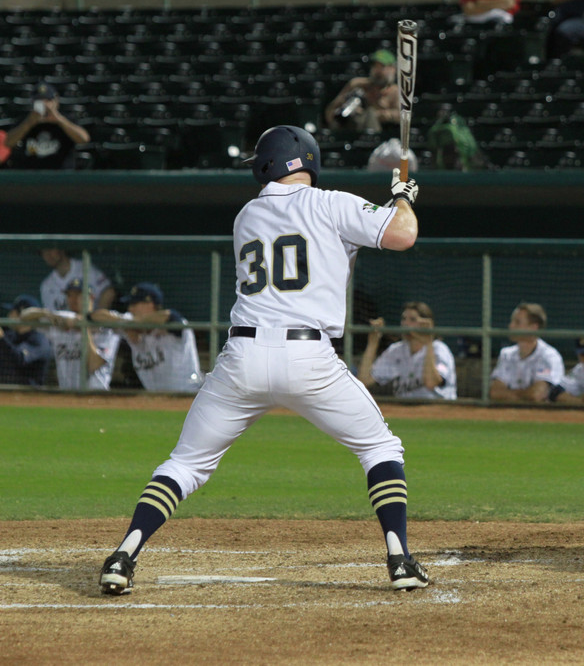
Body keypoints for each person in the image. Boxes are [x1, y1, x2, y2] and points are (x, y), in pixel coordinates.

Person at [98, 125, 429, 596]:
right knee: (380, 448)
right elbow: (403, 234)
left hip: (242, 358)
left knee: (186, 464)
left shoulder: (247, 215)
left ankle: (123, 555)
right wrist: (400, 198)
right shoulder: (332, 203)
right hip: (310, 357)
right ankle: (399, 559)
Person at [89, 282, 204, 393]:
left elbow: (170, 316)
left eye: (134, 304)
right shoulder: (129, 322)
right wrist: (127, 324)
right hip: (158, 398)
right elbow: (95, 316)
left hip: (189, 394)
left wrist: (134, 324)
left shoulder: (172, 324)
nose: (130, 309)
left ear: (150, 304)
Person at [20, 279, 119, 390]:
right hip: (67, 393)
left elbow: (94, 364)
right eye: (69, 295)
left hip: (96, 393)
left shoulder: (105, 325)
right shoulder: (63, 318)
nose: (73, 299)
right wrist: (48, 315)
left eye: (78, 295)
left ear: (91, 297)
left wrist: (83, 327)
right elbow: (24, 316)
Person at [357, 301, 457, 400]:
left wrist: (428, 343)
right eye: (404, 319)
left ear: (426, 324)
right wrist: (373, 343)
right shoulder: (396, 350)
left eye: (412, 320)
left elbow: (431, 383)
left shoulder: (440, 349)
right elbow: (364, 381)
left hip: (438, 407)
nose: (405, 324)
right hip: (407, 408)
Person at [4, 82, 90, 169]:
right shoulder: (26, 120)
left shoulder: (66, 119)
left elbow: (84, 139)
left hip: (61, 174)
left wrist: (59, 120)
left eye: (47, 100)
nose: (44, 104)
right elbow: (8, 142)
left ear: (55, 101)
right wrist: (29, 123)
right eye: (39, 101)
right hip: (33, 174)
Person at [489, 302, 564, 402]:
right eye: (512, 321)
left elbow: (536, 395)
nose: (511, 326)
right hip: (509, 411)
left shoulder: (549, 356)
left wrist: (509, 393)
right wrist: (525, 393)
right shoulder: (506, 354)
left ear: (533, 328)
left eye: (517, 322)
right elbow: (495, 393)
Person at [323, 49, 400, 133]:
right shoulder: (357, 84)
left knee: (369, 114)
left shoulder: (395, 91)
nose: (377, 70)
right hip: (351, 128)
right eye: (375, 66)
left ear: (393, 69)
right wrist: (346, 103)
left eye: (382, 66)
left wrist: (377, 114)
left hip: (381, 133)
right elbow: (331, 110)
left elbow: (401, 116)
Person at [39, 247, 116, 312]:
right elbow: (50, 315)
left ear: (61, 249)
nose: (47, 255)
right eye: (43, 252)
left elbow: (109, 292)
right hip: (65, 324)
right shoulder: (46, 285)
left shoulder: (85, 268)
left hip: (89, 321)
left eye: (50, 250)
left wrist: (96, 318)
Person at [0, 294, 52, 386]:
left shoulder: (39, 340)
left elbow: (20, 358)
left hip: (28, 392)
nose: (9, 315)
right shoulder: (11, 335)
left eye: (13, 312)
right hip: (5, 390)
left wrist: (2, 339)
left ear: (23, 316)